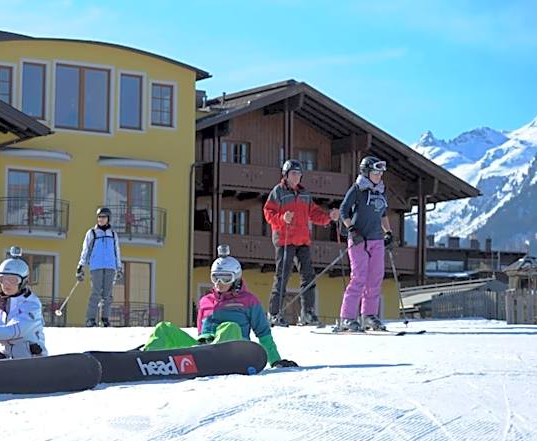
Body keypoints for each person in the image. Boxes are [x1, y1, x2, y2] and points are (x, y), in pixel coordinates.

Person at [141, 247, 297, 368]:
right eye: (215, 277)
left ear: (235, 278)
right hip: (202, 350)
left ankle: (211, 355)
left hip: (234, 353)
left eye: (225, 278)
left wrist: (275, 360)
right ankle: (145, 361)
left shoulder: (249, 301)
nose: (219, 282)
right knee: (163, 328)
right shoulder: (205, 301)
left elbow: (263, 333)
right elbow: (201, 331)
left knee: (229, 327)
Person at [263, 159, 340, 327]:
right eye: (293, 173)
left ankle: (308, 313)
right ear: (286, 175)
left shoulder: (305, 194)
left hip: (302, 240)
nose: (297, 176)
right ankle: (274, 314)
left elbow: (314, 213)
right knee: (282, 276)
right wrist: (282, 219)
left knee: (308, 276)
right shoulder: (278, 192)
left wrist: (329, 217)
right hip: (284, 239)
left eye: (299, 174)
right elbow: (268, 213)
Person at [338, 156, 394, 332]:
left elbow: (383, 214)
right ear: (366, 172)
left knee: (375, 277)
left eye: (380, 172)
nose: (379, 175)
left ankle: (369, 315)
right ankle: (347, 317)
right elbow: (343, 210)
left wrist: (389, 232)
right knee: (359, 277)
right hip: (358, 239)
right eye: (376, 172)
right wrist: (351, 229)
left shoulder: (380, 191)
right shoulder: (357, 189)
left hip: (376, 239)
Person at [76, 207, 123, 327]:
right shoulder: (92, 233)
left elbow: (117, 251)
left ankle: (105, 318)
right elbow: (85, 250)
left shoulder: (113, 234)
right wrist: (81, 266)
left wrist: (119, 266)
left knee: (107, 294)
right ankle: (90, 318)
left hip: (110, 266)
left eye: (103, 217)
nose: (101, 219)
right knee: (96, 292)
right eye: (99, 217)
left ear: (108, 219)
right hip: (96, 266)